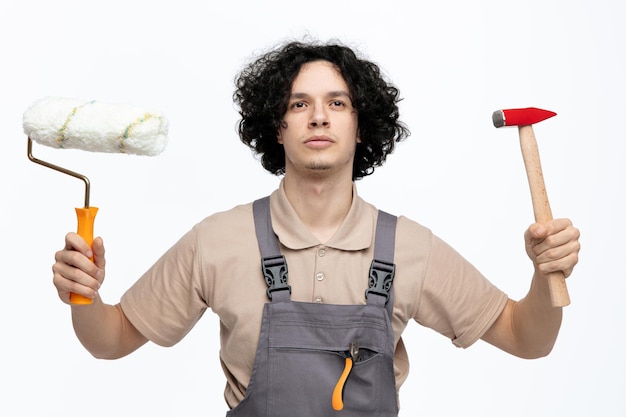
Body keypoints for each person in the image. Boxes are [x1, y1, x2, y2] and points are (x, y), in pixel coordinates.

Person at [52, 40, 581, 416]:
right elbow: (113, 339)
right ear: (275, 128)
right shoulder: (217, 241)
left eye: (337, 103)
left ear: (360, 125)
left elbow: (526, 338)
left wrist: (544, 275)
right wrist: (84, 294)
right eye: (299, 103)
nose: (319, 117)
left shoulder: (409, 249)